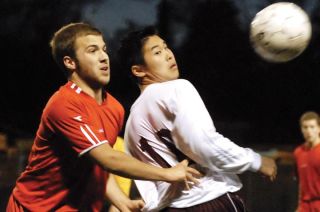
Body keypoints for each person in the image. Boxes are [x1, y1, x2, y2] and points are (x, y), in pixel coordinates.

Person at [6, 23, 201, 212]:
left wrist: (123, 202)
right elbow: (107, 158)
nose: (103, 57)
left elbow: (96, 166)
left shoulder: (115, 108)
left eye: (104, 49)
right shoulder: (63, 104)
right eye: (92, 50)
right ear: (70, 62)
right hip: (33, 208)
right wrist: (167, 174)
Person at [118, 26, 278, 211]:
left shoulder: (131, 125)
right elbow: (203, 144)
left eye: (166, 47)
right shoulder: (177, 88)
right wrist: (255, 161)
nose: (169, 54)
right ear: (138, 70)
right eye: (157, 52)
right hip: (207, 201)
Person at [294, 111, 320, 212]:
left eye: (312, 127)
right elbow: (301, 183)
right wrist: (299, 205)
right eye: (305, 127)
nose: (309, 131)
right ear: (301, 129)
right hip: (305, 205)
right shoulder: (298, 152)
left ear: (319, 128)